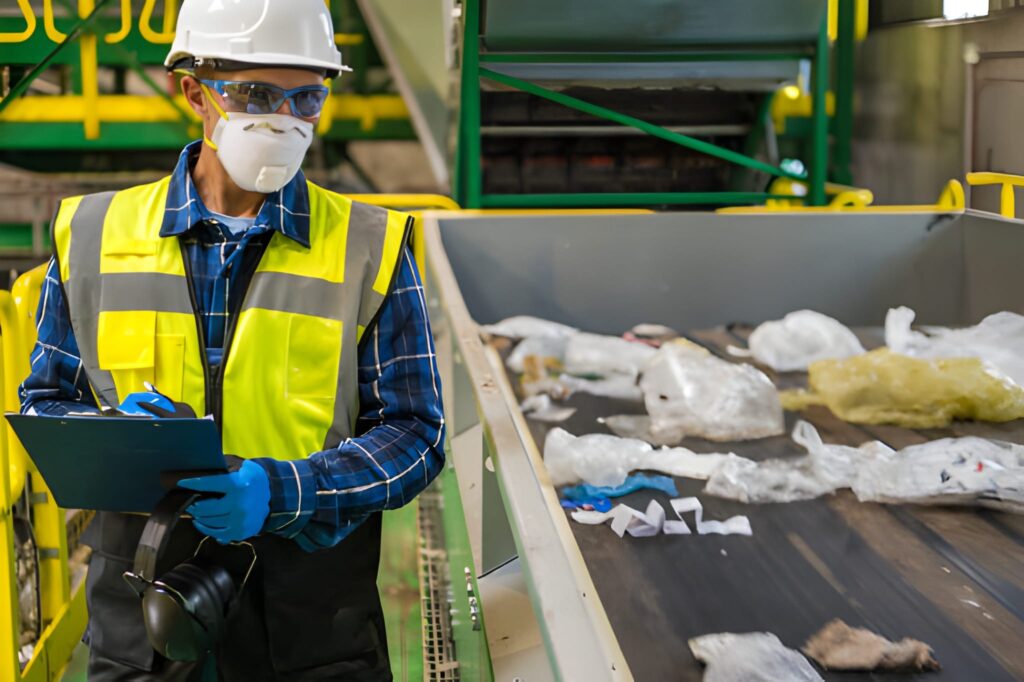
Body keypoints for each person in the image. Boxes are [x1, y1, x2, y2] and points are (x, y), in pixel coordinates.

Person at [19, 1, 445, 679]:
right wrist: (107, 433)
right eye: (254, 94)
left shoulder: (370, 245)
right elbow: (44, 403)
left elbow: (416, 435)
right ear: (194, 91)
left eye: (306, 96)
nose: (283, 118)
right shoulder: (95, 235)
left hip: (309, 621)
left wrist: (285, 489)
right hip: (145, 614)